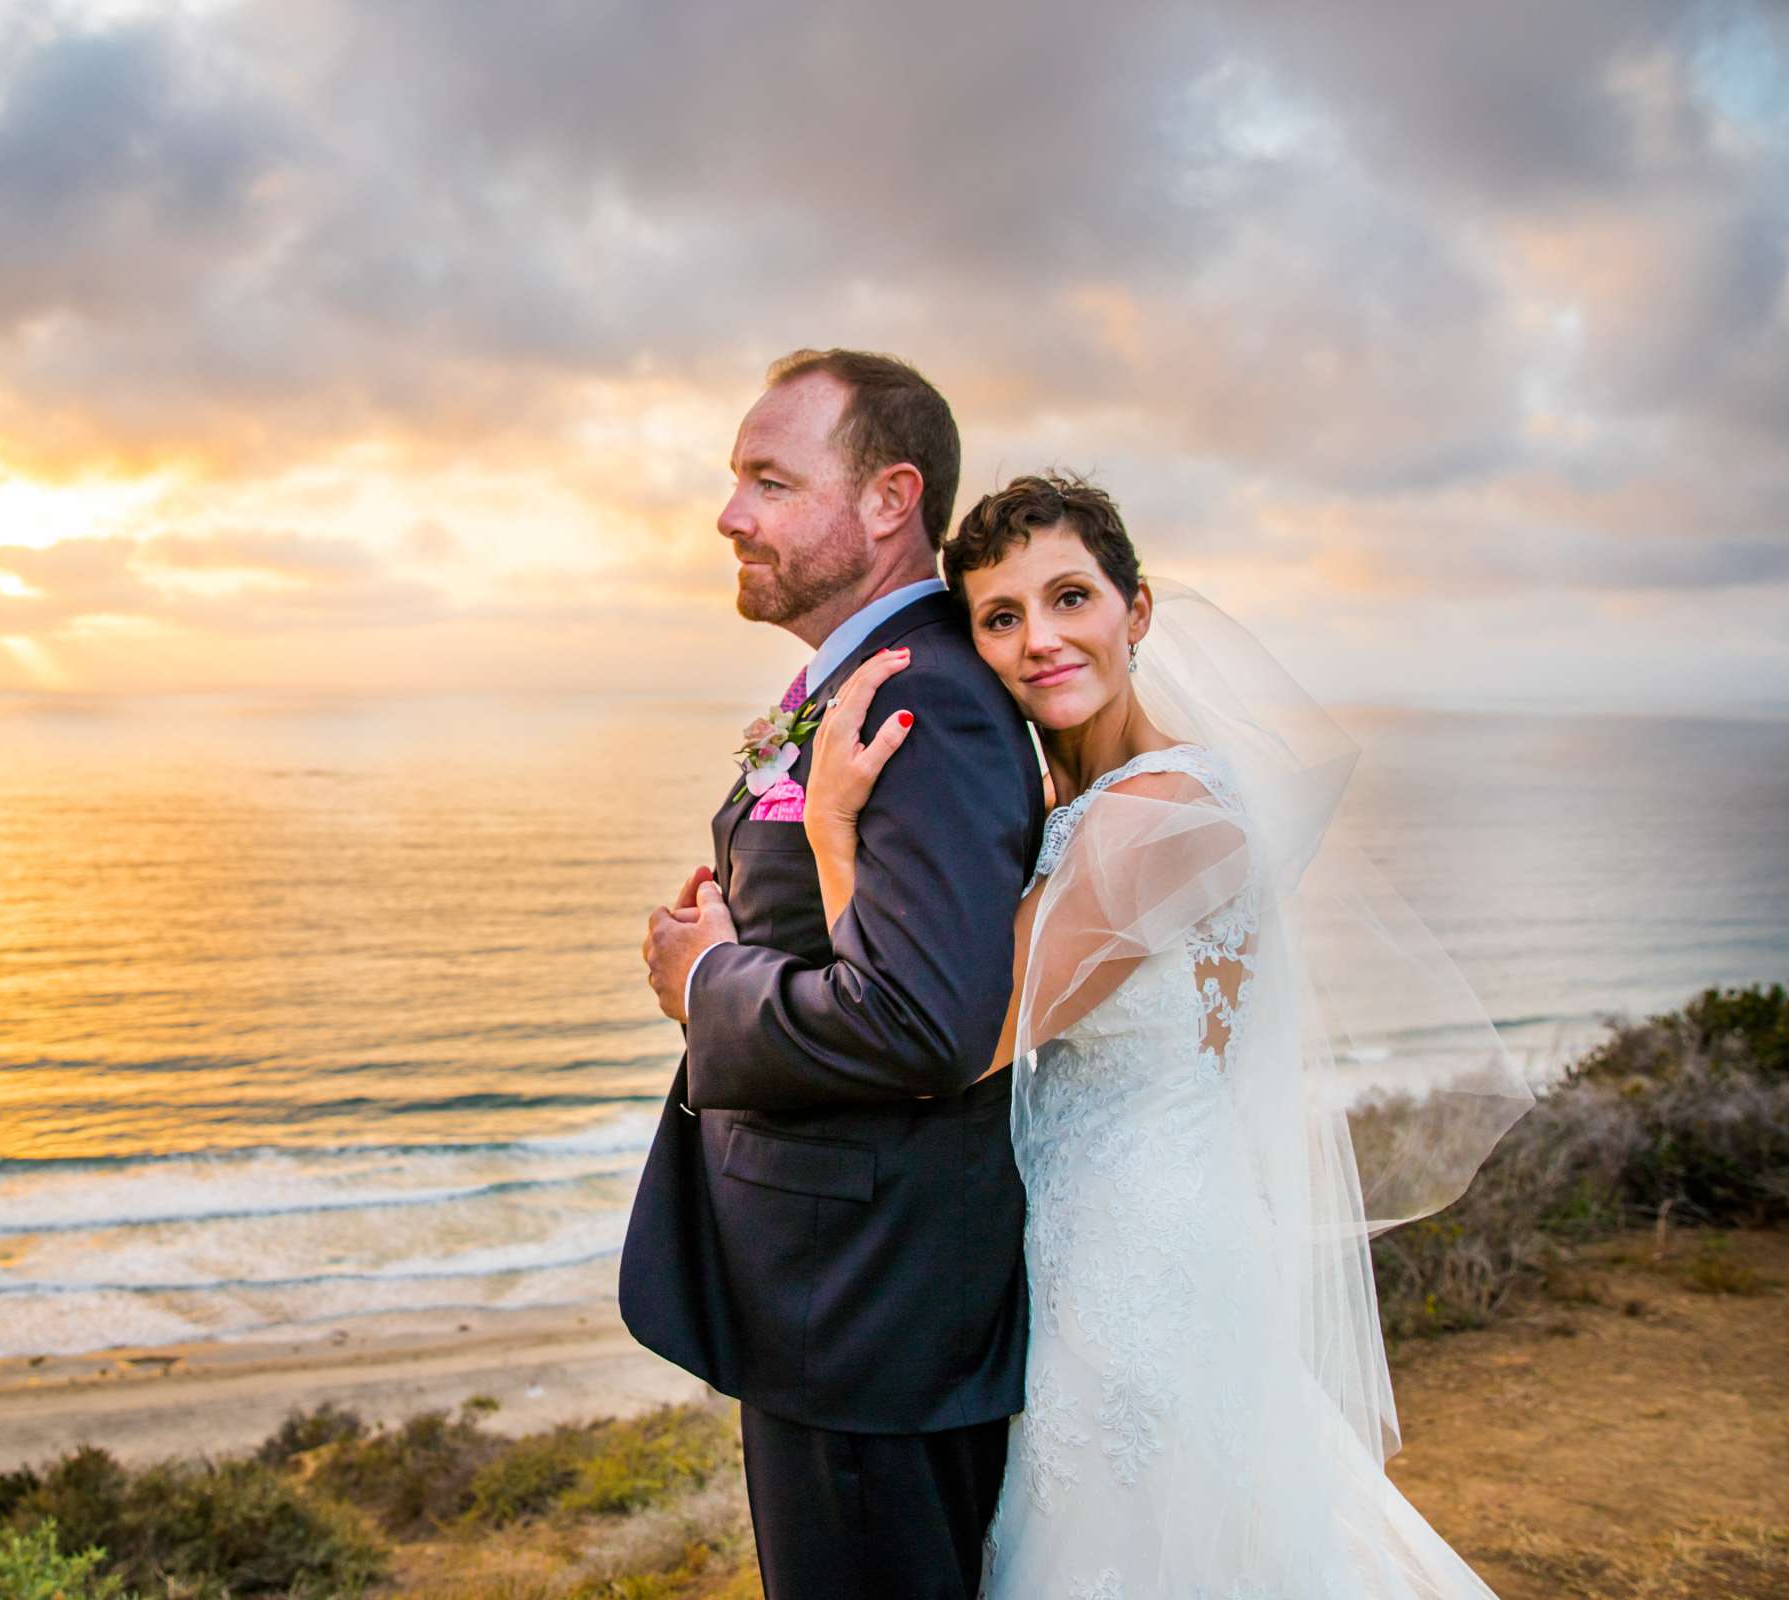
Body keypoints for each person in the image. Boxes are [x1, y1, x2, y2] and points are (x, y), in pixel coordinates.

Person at [802, 472, 1533, 1598]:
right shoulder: (1085, 805)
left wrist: (832, 831)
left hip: (1139, 1253)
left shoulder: (1165, 815)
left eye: (1070, 599)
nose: (1039, 639)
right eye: (1002, 617)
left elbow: (958, 1036)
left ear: (1135, 612)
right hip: (1097, 1226)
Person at [621, 348, 1043, 1600]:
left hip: (871, 1318)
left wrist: (706, 982)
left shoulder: (936, 704)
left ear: (886, 499)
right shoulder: (860, 681)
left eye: (767, 478)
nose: (729, 512)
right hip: (840, 1302)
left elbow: (921, 1023)